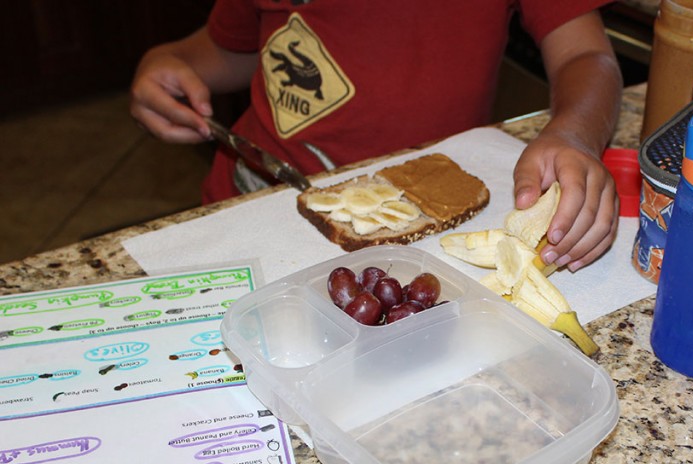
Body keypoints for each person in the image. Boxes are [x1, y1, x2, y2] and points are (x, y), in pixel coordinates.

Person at [130, 1, 624, 271]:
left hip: (418, 227)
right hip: (247, 199)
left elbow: (586, 57)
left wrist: (574, 133)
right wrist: (173, 62)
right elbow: (234, 48)